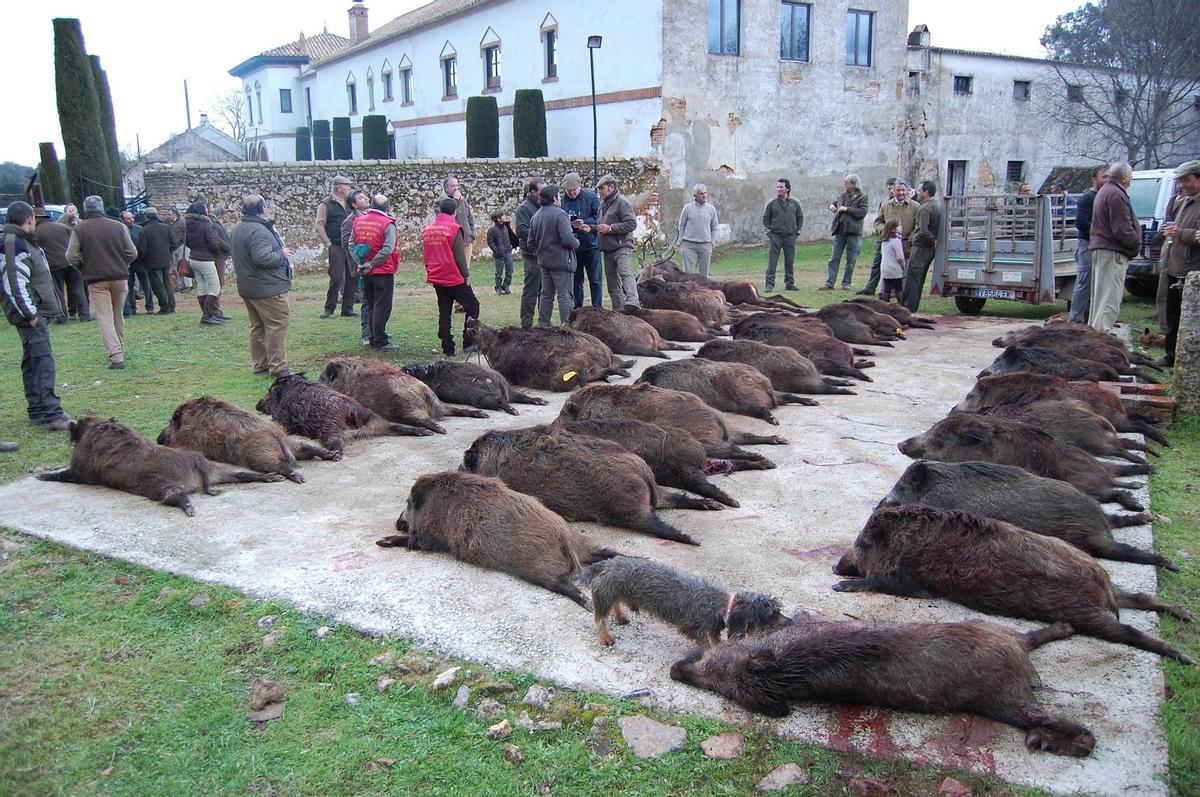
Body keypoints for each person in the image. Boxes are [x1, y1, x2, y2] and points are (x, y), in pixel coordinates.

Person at [2, 201, 70, 430]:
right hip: (31, 315)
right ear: (29, 219)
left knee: (34, 360)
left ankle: (38, 409)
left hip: (33, 313)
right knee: (41, 361)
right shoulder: (15, 244)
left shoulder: (23, 242)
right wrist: (30, 314)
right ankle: (51, 412)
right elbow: (13, 282)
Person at [67, 195, 136, 369]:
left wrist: (84, 268)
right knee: (118, 315)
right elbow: (132, 253)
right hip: (120, 277)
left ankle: (116, 356)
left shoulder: (80, 229)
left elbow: (71, 256)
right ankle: (119, 347)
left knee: (105, 318)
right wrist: (122, 264)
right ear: (102, 208)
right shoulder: (119, 226)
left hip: (96, 280)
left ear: (85, 210)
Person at [231, 194, 293, 377]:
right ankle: (278, 366)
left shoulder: (239, 227)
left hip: (249, 285)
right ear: (262, 208)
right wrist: (282, 253)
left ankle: (260, 364)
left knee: (258, 326)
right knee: (277, 324)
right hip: (268, 288)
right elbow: (263, 258)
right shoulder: (258, 230)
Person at [1153, 160, 1200, 367]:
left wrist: (1182, 233)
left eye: (1186, 180)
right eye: (1180, 181)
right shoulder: (1182, 201)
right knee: (1172, 314)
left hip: (1191, 270)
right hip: (1173, 266)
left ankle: (1187, 359)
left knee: (1188, 318)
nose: (1182, 185)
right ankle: (1171, 354)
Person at [423, 197, 479, 357]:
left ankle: (447, 345)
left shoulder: (428, 229)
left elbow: (427, 253)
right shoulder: (454, 228)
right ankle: (469, 342)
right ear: (455, 212)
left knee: (445, 309)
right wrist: (465, 275)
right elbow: (460, 257)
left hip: (436, 275)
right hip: (453, 275)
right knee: (473, 306)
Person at [1088, 162, 1140, 333]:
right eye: (1130, 177)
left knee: (1100, 298)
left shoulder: (1105, 191)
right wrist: (1135, 244)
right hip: (1112, 251)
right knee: (1109, 299)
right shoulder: (1115, 194)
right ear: (1124, 177)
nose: (1130, 180)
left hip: (1102, 249)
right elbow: (1122, 228)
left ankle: (1095, 335)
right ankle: (1100, 337)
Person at [351, 194, 401, 351]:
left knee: (371, 304)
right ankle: (380, 340)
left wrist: (361, 262)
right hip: (382, 270)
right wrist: (372, 264)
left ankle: (372, 336)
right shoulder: (388, 223)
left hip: (365, 271)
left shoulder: (359, 221)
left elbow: (351, 244)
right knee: (382, 306)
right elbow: (387, 249)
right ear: (387, 207)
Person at [528, 184, 580, 326]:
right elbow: (567, 239)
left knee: (546, 295)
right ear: (554, 198)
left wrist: (540, 253)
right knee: (565, 295)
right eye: (559, 195)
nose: (560, 198)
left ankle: (544, 323)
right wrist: (577, 243)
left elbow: (531, 242)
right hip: (562, 261)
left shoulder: (536, 216)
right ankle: (567, 324)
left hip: (545, 262)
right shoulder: (560, 214)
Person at [1067, 165, 1109, 323]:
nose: (1107, 180)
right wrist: (1101, 233)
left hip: (1099, 246)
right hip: (1087, 245)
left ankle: (1089, 318)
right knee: (1084, 283)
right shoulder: (1088, 197)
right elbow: (1080, 222)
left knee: (1096, 284)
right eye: (1103, 177)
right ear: (1094, 179)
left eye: (1109, 177)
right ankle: (1075, 320)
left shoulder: (1105, 196)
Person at [596, 174, 640, 310]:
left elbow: (632, 223)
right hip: (608, 249)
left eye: (602, 188)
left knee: (624, 272)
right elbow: (602, 226)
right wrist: (590, 228)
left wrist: (610, 228)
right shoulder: (603, 205)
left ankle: (633, 301)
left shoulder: (622, 202)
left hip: (622, 246)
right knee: (612, 284)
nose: (600, 191)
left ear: (611, 187)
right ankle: (619, 311)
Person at [35, 208, 86, 323]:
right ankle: (85, 315)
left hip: (53, 266)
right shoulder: (63, 227)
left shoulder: (35, 232)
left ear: (36, 219)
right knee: (78, 289)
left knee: (58, 292)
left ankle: (62, 317)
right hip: (71, 262)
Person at [316, 175, 355, 318]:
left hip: (350, 245)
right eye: (348, 186)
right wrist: (328, 243)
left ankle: (347, 308)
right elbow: (319, 225)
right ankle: (329, 308)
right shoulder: (325, 204)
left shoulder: (350, 204)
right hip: (337, 245)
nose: (350, 189)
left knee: (352, 277)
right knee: (336, 277)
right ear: (340, 188)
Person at [185, 200, 230, 327]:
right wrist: (215, 251)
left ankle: (209, 315)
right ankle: (207, 315)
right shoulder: (206, 225)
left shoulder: (187, 224)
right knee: (215, 288)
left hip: (194, 258)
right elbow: (213, 242)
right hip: (205, 259)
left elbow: (187, 241)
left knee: (202, 287)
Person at [561, 172, 603, 307]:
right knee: (576, 280)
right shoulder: (562, 201)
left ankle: (597, 308)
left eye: (574, 190)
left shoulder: (592, 198)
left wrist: (585, 223)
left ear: (580, 186)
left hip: (591, 245)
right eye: (569, 191)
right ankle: (578, 308)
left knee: (595, 279)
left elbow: (600, 218)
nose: (572, 193)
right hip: (573, 247)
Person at [823, 174, 869, 291]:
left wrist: (846, 209)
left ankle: (846, 283)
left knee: (851, 259)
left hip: (854, 233)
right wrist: (832, 206)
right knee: (834, 258)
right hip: (840, 231)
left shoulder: (862, 197)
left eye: (846, 183)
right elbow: (835, 203)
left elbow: (862, 213)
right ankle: (829, 282)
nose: (844, 185)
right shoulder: (841, 196)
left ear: (853, 184)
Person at [902, 180, 941, 312]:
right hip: (927, 248)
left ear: (926, 192)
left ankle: (908, 306)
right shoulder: (936, 205)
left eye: (919, 191)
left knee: (913, 278)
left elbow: (924, 230)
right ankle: (912, 305)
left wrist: (932, 242)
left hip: (921, 247)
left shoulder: (925, 208)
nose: (917, 193)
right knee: (919, 277)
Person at [340, 190, 372, 345]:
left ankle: (376, 329)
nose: (365, 198)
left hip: (373, 265)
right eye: (361, 197)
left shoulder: (371, 217)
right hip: (361, 265)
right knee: (367, 300)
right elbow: (347, 244)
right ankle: (367, 333)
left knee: (376, 299)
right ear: (354, 204)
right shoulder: (350, 220)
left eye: (365, 196)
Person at [858, 177, 898, 295]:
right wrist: (883, 230)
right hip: (884, 237)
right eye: (889, 188)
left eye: (893, 188)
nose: (891, 191)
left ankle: (893, 289)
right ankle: (871, 287)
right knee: (877, 262)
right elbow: (878, 220)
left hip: (897, 238)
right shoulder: (884, 203)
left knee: (894, 265)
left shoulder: (903, 202)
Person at [762, 178, 803, 291]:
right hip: (776, 237)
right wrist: (770, 233)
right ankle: (769, 284)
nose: (779, 189)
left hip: (790, 237)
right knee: (772, 261)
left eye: (781, 187)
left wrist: (797, 232)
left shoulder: (794, 204)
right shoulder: (772, 204)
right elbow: (765, 219)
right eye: (778, 187)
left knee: (789, 261)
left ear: (787, 188)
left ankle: (789, 283)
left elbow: (800, 218)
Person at [516, 177, 545, 328]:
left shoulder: (543, 206)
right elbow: (521, 230)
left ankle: (544, 322)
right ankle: (526, 324)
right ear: (533, 192)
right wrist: (541, 232)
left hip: (544, 253)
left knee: (545, 290)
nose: (544, 193)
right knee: (531, 290)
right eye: (541, 191)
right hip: (531, 255)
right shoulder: (524, 208)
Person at [136, 208, 177, 315]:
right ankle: (172, 306)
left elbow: (141, 249)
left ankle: (165, 308)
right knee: (167, 284)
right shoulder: (166, 227)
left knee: (158, 285)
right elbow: (174, 244)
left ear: (146, 216)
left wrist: (144, 258)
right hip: (165, 260)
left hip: (152, 262)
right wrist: (167, 252)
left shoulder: (144, 230)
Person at [676, 183, 719, 279]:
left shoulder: (711, 209)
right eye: (701, 194)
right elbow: (681, 225)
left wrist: (712, 242)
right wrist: (680, 240)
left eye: (705, 193)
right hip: (689, 244)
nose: (704, 196)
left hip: (705, 244)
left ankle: (704, 293)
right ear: (695, 195)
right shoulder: (687, 208)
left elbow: (714, 227)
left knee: (704, 276)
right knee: (688, 275)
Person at [120, 211, 152, 316]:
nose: (131, 220)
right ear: (122, 220)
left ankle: (150, 306)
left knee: (146, 284)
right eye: (128, 219)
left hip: (140, 261)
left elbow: (144, 245)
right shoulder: (119, 230)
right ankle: (131, 308)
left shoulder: (139, 229)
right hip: (126, 262)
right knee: (128, 286)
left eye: (132, 218)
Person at [486, 210, 517, 295]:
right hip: (499, 254)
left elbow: (511, 236)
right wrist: (496, 250)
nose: (505, 217)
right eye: (503, 216)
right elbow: (490, 242)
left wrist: (511, 246)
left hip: (508, 252)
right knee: (499, 272)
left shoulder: (506, 227)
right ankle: (498, 287)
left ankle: (506, 285)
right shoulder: (492, 230)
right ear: (499, 219)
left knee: (510, 270)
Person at [878, 220, 906, 303]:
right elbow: (900, 257)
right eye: (899, 226)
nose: (901, 227)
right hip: (895, 268)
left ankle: (885, 306)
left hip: (885, 267)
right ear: (893, 229)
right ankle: (901, 306)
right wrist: (903, 266)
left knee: (886, 288)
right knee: (898, 288)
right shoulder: (896, 241)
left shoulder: (884, 241)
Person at [442, 175, 475, 245]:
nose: (456, 188)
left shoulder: (463, 201)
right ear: (446, 189)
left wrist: (471, 234)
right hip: (454, 242)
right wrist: (456, 200)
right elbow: (447, 217)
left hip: (467, 241)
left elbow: (470, 218)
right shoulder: (442, 202)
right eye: (452, 186)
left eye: (457, 185)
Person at [166, 206, 192, 292]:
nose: (168, 216)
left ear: (174, 214)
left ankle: (188, 285)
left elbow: (187, 233)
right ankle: (181, 285)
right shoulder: (169, 223)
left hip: (182, 245)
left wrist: (186, 245)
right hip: (174, 247)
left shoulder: (182, 221)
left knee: (184, 265)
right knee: (177, 267)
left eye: (169, 214)